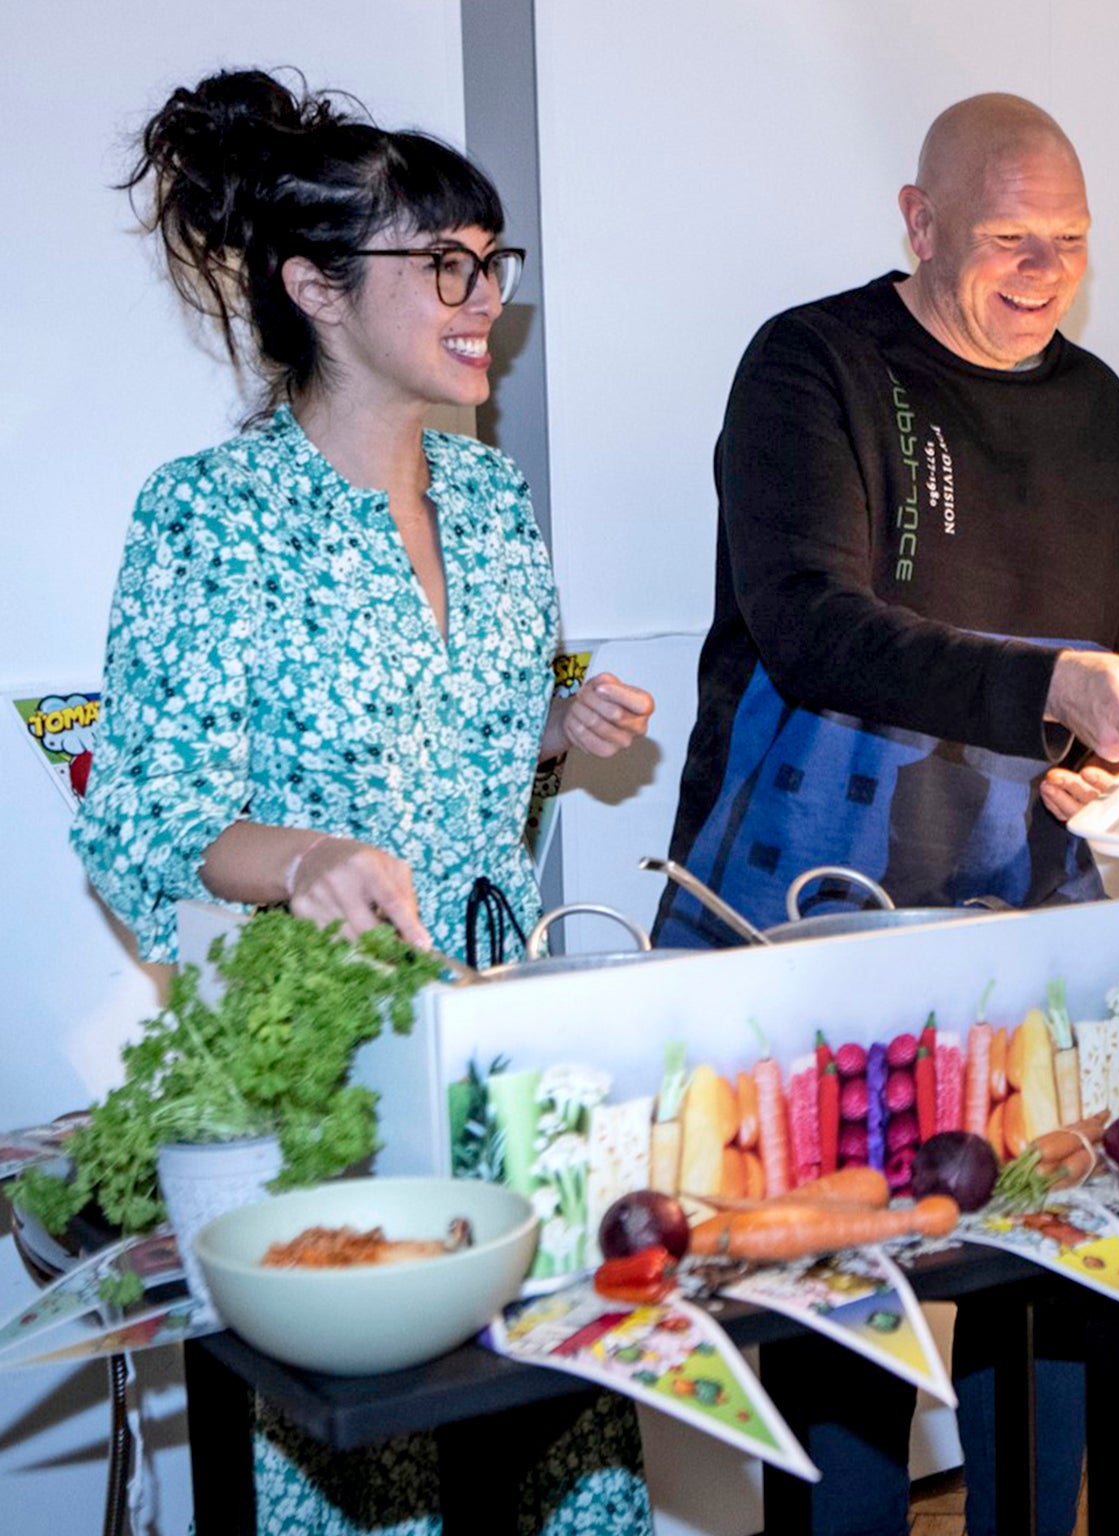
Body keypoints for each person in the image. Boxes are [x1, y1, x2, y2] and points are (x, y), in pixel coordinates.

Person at [75, 68, 656, 1534]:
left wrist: (548, 733)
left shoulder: (494, 507)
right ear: (317, 290)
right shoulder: (208, 515)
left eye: (490, 261)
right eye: (442, 264)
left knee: (564, 1463)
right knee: (363, 1485)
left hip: (503, 1056)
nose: (484, 297)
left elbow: (443, 767)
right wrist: (306, 858)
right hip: (324, 1100)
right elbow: (148, 817)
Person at [649, 94, 1119, 1535]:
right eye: (1009, 240)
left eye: (1069, 244)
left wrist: (1112, 756)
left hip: (1034, 906)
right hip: (818, 910)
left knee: (1061, 1259)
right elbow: (816, 629)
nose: (1043, 274)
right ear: (918, 219)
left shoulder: (1097, 400)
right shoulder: (810, 366)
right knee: (838, 1305)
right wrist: (1048, 683)